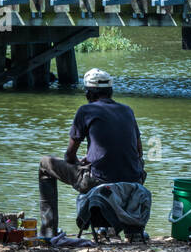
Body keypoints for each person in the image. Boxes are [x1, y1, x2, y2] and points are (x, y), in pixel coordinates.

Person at [38, 68, 145, 239]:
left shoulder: (85, 111)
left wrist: (80, 163)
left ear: (88, 93)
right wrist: (94, 157)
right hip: (133, 180)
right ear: (110, 92)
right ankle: (112, 228)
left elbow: (69, 156)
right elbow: (138, 152)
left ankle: (48, 230)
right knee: (137, 164)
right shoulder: (127, 110)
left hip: (98, 181)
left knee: (45, 164)